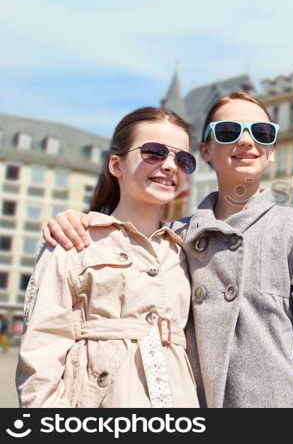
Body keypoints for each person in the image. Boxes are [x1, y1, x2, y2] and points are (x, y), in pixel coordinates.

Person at [43, 92, 293, 408]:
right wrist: (80, 222)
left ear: (271, 150)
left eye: (260, 132)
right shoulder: (171, 238)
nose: (246, 140)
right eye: (229, 132)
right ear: (205, 151)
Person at [17, 107, 200, 407]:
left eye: (183, 159)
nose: (170, 166)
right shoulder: (73, 241)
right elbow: (42, 353)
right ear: (116, 164)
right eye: (154, 152)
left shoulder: (185, 251)